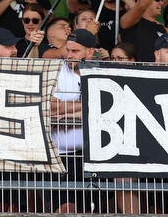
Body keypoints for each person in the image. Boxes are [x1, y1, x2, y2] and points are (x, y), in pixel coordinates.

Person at [50, 30, 101, 213]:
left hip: (95, 157)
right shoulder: (58, 71)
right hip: (63, 156)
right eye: (68, 50)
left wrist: (73, 114)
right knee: (66, 207)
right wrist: (86, 105)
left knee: (94, 208)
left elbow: (105, 106)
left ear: (89, 52)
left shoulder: (99, 71)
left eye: (75, 51)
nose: (69, 55)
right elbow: (52, 107)